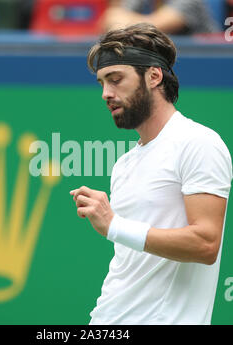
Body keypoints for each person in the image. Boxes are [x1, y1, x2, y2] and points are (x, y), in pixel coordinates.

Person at [70, 23, 232, 325]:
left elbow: (206, 244)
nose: (106, 93)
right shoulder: (125, 164)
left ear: (154, 76)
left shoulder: (198, 143)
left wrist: (114, 225)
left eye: (116, 80)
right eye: (102, 83)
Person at [100, 0, 219, 34]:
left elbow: (152, 26)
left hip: (206, 62)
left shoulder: (190, 2)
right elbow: (110, 18)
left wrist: (120, 20)